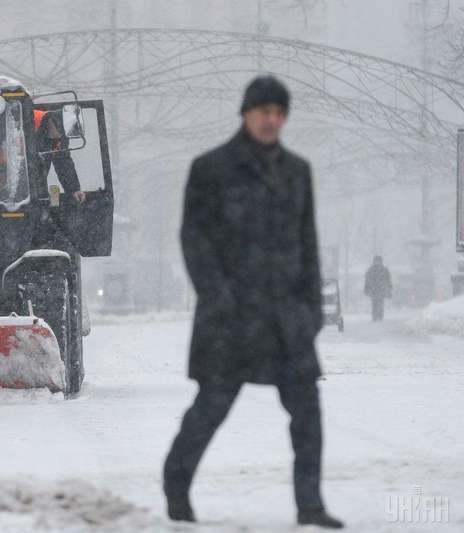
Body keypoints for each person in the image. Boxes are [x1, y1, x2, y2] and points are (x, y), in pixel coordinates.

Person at [163, 76, 344, 529]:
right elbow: (194, 240)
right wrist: (219, 297)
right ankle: (176, 488)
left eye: (279, 113)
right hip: (231, 318)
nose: (272, 120)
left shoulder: (298, 171)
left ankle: (310, 505)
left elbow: (308, 241)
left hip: (286, 318)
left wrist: (311, 309)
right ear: (246, 113)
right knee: (211, 409)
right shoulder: (211, 168)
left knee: (308, 414)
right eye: (264, 111)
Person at [33, 109, 86, 204]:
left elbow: (63, 163)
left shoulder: (59, 138)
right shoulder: (31, 120)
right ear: (53, 122)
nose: (61, 136)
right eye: (60, 132)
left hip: (33, 188)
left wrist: (74, 189)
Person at [364, 256, 392, 322]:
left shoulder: (371, 270)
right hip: (377, 289)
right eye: (376, 261)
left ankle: (377, 316)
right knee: (377, 303)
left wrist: (367, 288)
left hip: (377, 289)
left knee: (377, 303)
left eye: (378, 261)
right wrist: (389, 287)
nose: (377, 262)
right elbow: (388, 280)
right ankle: (377, 316)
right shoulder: (383, 269)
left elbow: (388, 280)